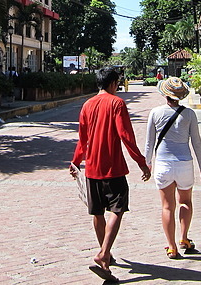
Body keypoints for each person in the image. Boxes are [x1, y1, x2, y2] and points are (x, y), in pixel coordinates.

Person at [69, 67, 151, 282]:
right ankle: (104, 253)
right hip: (113, 168)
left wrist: (76, 161)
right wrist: (141, 163)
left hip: (92, 169)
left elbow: (82, 139)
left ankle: (106, 254)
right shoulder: (117, 103)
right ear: (114, 83)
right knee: (117, 208)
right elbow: (126, 136)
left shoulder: (87, 105)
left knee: (97, 212)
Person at [143, 76, 201, 260]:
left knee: (167, 207)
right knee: (185, 202)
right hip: (185, 164)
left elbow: (149, 143)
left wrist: (147, 164)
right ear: (180, 96)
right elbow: (197, 142)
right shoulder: (189, 115)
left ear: (165, 94)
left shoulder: (155, 113)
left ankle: (172, 247)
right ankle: (184, 238)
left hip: (163, 164)